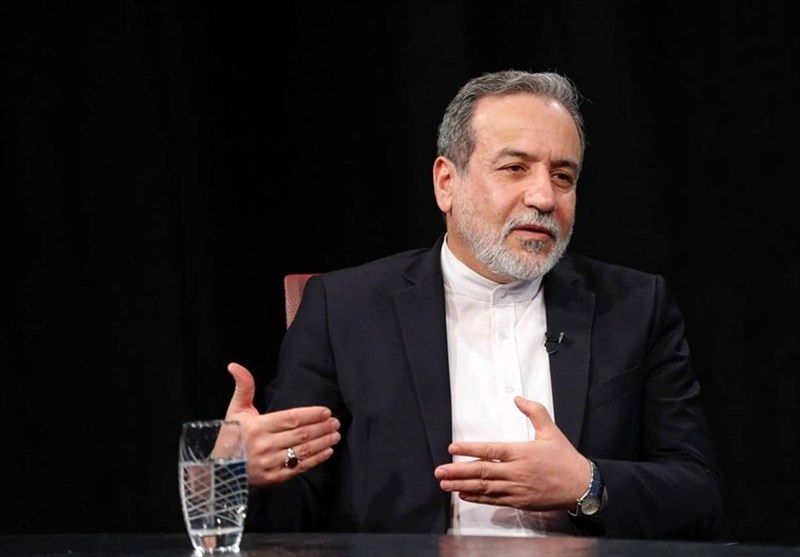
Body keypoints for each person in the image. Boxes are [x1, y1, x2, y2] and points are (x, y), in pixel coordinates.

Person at [223, 70, 725, 539]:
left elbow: (699, 493)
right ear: (447, 183)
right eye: (514, 168)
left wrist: (587, 484)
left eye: (563, 176)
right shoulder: (345, 309)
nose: (544, 197)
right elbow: (292, 511)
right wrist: (235, 472)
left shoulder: (635, 307)